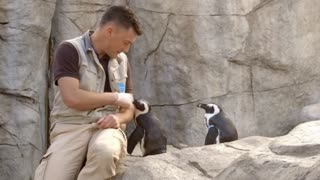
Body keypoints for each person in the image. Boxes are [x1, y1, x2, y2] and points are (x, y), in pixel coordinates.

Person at [34, 6, 142, 180]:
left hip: (108, 129)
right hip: (71, 128)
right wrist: (115, 97)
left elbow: (129, 106)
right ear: (110, 31)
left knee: (104, 152)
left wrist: (119, 119)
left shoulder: (122, 61)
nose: (126, 49)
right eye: (126, 42)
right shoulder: (69, 50)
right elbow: (72, 98)